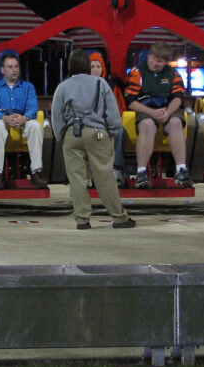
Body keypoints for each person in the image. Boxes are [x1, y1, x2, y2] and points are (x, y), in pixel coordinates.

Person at [52, 50, 135, 230]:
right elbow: (112, 114)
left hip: (72, 136)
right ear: (87, 66)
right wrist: (111, 132)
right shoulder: (101, 83)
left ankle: (82, 220)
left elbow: (56, 117)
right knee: (104, 175)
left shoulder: (63, 86)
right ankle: (119, 218)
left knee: (77, 178)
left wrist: (62, 137)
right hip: (97, 133)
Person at [124, 41, 191, 188]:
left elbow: (178, 98)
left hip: (167, 109)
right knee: (147, 126)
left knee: (176, 123)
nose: (154, 63)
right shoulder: (137, 72)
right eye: (152, 59)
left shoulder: (173, 74)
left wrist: (168, 112)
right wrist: (152, 113)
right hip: (145, 109)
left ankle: (181, 170)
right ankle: (141, 173)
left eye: (159, 61)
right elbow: (130, 101)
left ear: (166, 62)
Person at [0, 51, 48, 190]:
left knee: (36, 125)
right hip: (3, 119)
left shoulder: (28, 87)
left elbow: (33, 107)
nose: (14, 70)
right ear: (2, 70)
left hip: (22, 119)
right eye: (10, 67)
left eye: (16, 66)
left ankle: (36, 172)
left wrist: (24, 118)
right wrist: (4, 118)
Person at [88, 51, 127, 186]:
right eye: (92, 67)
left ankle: (117, 169)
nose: (95, 70)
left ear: (103, 68)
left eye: (98, 66)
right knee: (97, 135)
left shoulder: (112, 86)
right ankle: (94, 172)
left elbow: (119, 108)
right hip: (93, 126)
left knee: (120, 131)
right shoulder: (83, 86)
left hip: (109, 124)